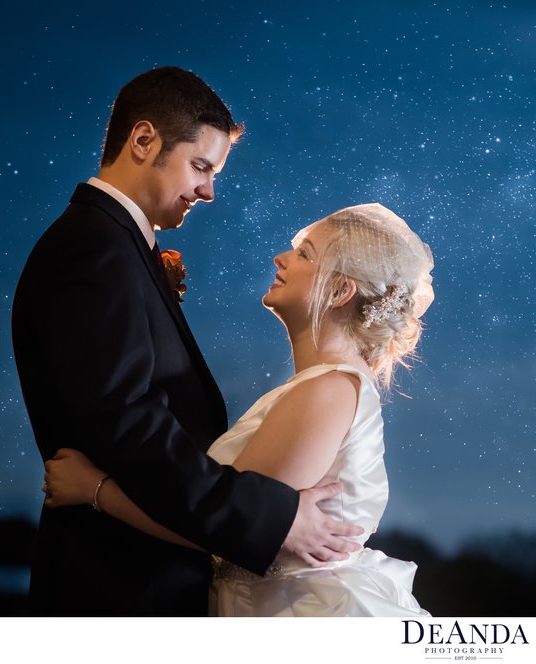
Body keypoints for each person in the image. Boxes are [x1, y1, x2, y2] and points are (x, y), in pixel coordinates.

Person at [12, 66, 363, 616]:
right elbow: (127, 421)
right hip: (116, 588)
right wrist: (272, 518)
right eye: (200, 166)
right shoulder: (93, 248)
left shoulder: (117, 246)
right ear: (143, 139)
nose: (208, 190)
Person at [45, 203, 434, 616]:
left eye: (305, 254)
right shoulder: (320, 387)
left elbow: (228, 525)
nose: (280, 258)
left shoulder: (329, 390)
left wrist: (95, 490)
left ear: (340, 292)